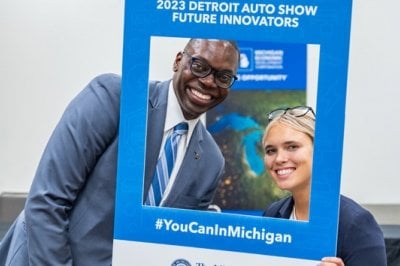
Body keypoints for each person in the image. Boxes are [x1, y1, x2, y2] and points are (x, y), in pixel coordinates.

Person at [0, 38, 240, 265]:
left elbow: (176, 247)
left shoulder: (211, 162)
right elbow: (47, 201)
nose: (209, 82)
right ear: (178, 61)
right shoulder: (114, 99)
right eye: (199, 66)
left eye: (223, 76)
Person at [261, 106, 387, 266]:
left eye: (292, 147)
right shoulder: (272, 215)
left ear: (320, 151)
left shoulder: (357, 225)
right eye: (271, 150)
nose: (279, 159)